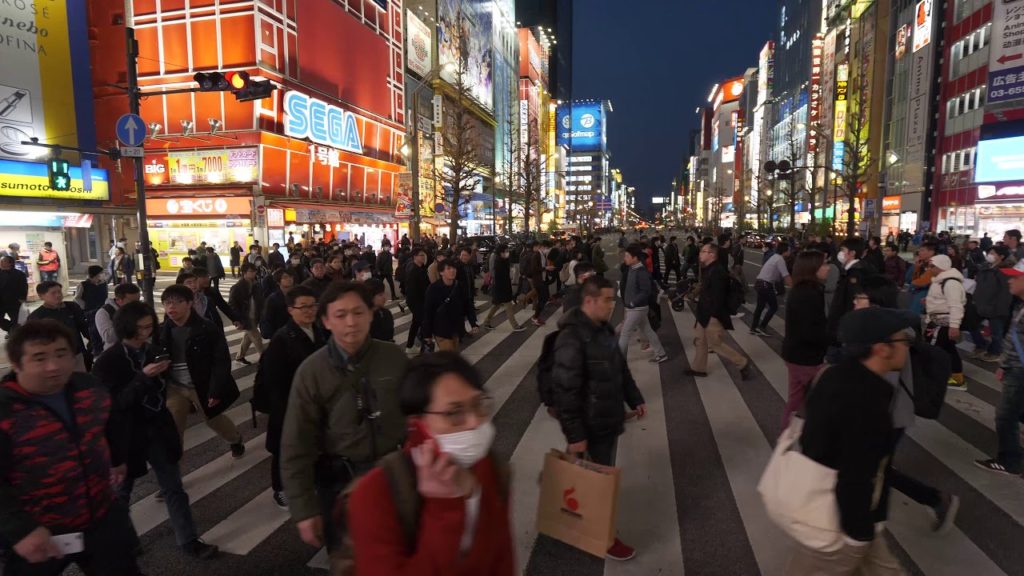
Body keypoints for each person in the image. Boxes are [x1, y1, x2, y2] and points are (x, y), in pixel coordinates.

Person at [346, 352, 515, 575]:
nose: (474, 421)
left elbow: (502, 556)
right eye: (454, 412)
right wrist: (444, 508)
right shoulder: (375, 493)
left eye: (478, 404)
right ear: (418, 424)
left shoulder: (491, 468)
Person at [0, 320, 143, 576]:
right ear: (16, 363)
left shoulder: (89, 387)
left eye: (61, 354)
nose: (54, 366)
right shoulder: (6, 410)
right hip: (40, 530)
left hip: (101, 518)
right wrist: (21, 530)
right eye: (39, 358)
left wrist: (118, 459)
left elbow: (111, 424)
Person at [281, 281, 409, 555]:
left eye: (358, 312)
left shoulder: (394, 357)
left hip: (394, 474)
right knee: (349, 557)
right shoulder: (311, 371)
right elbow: (296, 444)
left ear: (371, 314)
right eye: (340, 315)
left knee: (399, 551)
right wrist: (304, 510)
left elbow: (417, 413)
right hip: (340, 483)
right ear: (326, 321)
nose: (351, 322)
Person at [788, 307, 917, 575]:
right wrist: (859, 535)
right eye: (903, 340)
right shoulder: (868, 398)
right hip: (837, 519)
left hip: (831, 504)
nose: (907, 347)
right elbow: (854, 475)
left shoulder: (831, 375)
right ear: (882, 348)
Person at [92, 301, 219, 559]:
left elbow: (162, 389)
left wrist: (163, 376)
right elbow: (113, 405)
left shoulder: (152, 351)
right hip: (126, 436)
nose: (146, 332)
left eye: (150, 326)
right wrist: (143, 377)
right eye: (141, 328)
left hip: (157, 429)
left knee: (174, 488)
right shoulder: (107, 361)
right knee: (121, 495)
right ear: (126, 327)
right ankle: (125, 543)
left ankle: (189, 540)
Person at [551, 276, 646, 561]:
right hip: (590, 423)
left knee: (583, 477)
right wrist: (575, 435)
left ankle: (568, 519)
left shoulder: (602, 329)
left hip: (605, 417)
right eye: (607, 299)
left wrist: (635, 397)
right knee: (599, 482)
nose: (611, 305)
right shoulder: (571, 338)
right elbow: (565, 391)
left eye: (612, 299)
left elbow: (620, 368)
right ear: (589, 301)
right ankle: (604, 538)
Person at [256, 285, 326, 509]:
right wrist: (285, 413)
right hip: (288, 406)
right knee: (283, 448)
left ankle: (311, 481)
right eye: (303, 307)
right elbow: (274, 383)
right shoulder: (282, 339)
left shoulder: (318, 330)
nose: (309, 310)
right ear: (290, 310)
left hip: (313, 403)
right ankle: (280, 489)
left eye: (313, 305)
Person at [159, 284, 244, 457]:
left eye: (177, 302)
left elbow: (221, 361)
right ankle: (174, 467)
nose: (171, 307)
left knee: (213, 419)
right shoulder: (161, 331)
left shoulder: (207, 328)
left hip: (201, 384)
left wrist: (216, 389)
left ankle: (235, 439)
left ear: (190, 303)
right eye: (167, 303)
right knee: (174, 426)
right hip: (175, 387)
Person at [780, 250, 830, 429]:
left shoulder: (801, 289)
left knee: (796, 398)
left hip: (795, 353)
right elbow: (810, 330)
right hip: (806, 356)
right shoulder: (809, 293)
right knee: (820, 399)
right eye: (824, 264)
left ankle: (786, 435)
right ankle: (807, 436)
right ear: (812, 268)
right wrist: (832, 339)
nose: (827, 268)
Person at [686, 243, 751, 378]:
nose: (700, 253)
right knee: (700, 341)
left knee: (715, 344)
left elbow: (718, 298)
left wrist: (713, 315)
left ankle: (742, 362)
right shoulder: (709, 269)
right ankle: (698, 368)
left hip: (712, 314)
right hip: (704, 313)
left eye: (703, 251)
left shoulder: (717, 272)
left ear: (712, 255)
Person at [924, 254, 968, 390]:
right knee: (948, 349)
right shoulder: (942, 281)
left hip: (943, 324)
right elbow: (943, 299)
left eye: (932, 266)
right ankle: (956, 377)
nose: (929, 268)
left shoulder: (950, 283)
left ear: (941, 266)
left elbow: (956, 305)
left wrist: (954, 326)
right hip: (940, 322)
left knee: (934, 349)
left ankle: (936, 375)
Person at [28, 281, 90, 373]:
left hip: (76, 353)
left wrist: (93, 342)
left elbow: (84, 327)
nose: (58, 295)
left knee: (80, 379)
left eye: (59, 292)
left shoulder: (72, 307)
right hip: (53, 358)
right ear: (41, 296)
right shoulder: (36, 316)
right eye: (53, 293)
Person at [620, 244, 667, 363]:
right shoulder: (632, 268)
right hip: (636, 308)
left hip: (637, 309)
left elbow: (645, 291)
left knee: (625, 334)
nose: (624, 258)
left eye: (627, 256)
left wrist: (632, 303)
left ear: (635, 258)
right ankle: (661, 354)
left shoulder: (641, 272)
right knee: (648, 331)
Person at [970, 245, 1015, 362]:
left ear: (1001, 256)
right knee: (971, 325)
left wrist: (1000, 308)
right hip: (981, 304)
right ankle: (981, 345)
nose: (990, 255)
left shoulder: (1005, 272)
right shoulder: (985, 268)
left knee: (996, 332)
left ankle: (995, 352)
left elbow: (1006, 293)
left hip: (996, 307)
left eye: (993, 253)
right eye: (989, 252)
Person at [422, 260, 479, 352]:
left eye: (453, 268)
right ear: (441, 272)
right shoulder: (433, 288)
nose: (452, 270)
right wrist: (427, 334)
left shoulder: (459, 286)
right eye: (448, 268)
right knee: (450, 356)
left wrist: (473, 323)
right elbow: (428, 311)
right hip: (441, 328)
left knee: (453, 354)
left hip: (456, 327)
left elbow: (468, 305)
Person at [750, 242, 792, 336]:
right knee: (774, 307)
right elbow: (786, 276)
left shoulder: (774, 257)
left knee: (760, 307)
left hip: (759, 283)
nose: (790, 251)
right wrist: (794, 287)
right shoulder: (780, 259)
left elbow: (777, 276)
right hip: (766, 285)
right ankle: (762, 327)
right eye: (789, 250)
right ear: (784, 251)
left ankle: (754, 327)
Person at [229, 263, 266, 365]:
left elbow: (261, 300)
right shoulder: (237, 287)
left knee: (248, 337)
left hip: (255, 315)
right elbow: (232, 304)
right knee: (257, 338)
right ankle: (265, 359)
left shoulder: (256, 285)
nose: (254, 273)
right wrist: (237, 319)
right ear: (244, 273)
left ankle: (240, 357)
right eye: (251, 271)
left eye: (255, 271)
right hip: (245, 317)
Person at [482, 245, 525, 331]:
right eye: (505, 251)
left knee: (495, 306)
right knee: (508, 307)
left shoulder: (503, 261)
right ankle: (515, 326)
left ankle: (486, 322)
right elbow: (499, 278)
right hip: (501, 289)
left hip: (501, 288)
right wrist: (506, 289)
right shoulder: (499, 262)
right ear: (500, 252)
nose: (507, 253)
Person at [93, 283, 141, 354]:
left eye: (138, 300)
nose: (137, 305)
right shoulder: (104, 313)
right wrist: (130, 322)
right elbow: (108, 337)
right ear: (119, 300)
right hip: (116, 353)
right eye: (132, 302)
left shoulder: (138, 309)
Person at [404, 249, 430, 354]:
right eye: (421, 255)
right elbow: (412, 290)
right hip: (417, 302)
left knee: (416, 323)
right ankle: (425, 349)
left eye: (424, 255)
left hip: (421, 301)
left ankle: (410, 346)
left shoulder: (421, 268)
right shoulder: (413, 270)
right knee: (423, 324)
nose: (423, 257)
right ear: (415, 257)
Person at [261, 268, 297, 339]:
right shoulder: (273, 299)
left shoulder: (299, 294)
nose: (289, 279)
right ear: (278, 282)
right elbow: (267, 319)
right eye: (285, 277)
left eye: (290, 276)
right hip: (281, 335)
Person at [0, 254, 28, 336]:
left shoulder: (19, 274)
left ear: (10, 263)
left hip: (14, 301)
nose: (1, 263)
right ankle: (10, 329)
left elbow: (24, 287)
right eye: (0, 261)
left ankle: (14, 333)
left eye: (3, 261)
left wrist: (22, 298)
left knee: (15, 319)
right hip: (1, 301)